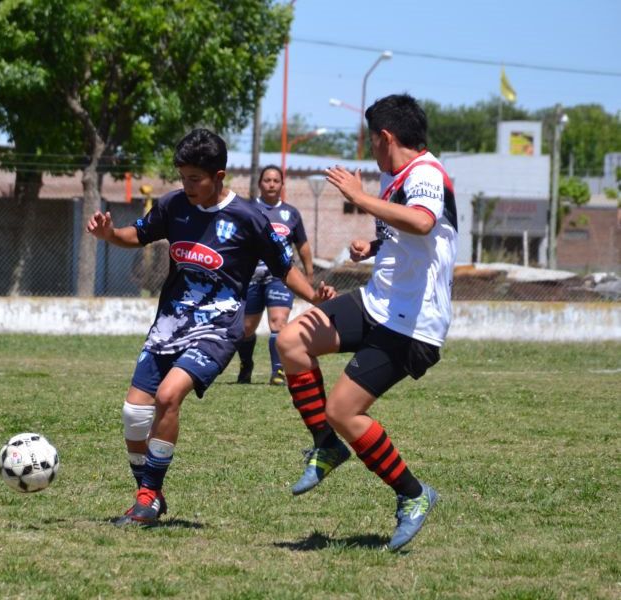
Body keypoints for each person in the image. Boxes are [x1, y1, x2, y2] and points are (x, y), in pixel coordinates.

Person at [86, 129, 334, 526]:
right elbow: (141, 233)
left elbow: (283, 267)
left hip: (219, 326)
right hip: (170, 322)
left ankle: (147, 499)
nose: (187, 186)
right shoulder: (173, 206)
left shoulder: (250, 217)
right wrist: (109, 235)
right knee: (134, 412)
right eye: (182, 177)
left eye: (195, 179)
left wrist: (312, 295)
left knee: (168, 397)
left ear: (219, 176)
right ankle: (149, 494)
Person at [275, 94, 457, 551]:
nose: (370, 149)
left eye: (371, 140)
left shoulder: (427, 174)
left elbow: (422, 222)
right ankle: (326, 445)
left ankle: (413, 496)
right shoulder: (393, 176)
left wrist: (359, 198)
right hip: (377, 303)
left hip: (412, 324)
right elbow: (408, 237)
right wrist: (372, 247)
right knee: (291, 340)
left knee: (343, 410)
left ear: (386, 137)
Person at [235, 166, 314, 385]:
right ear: (260, 183)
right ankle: (246, 364)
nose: (271, 184)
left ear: (282, 185)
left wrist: (308, 273)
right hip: (250, 276)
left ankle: (278, 371)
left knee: (278, 323)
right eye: (267, 180)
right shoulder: (248, 209)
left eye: (276, 180)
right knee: (246, 328)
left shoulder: (291, 213)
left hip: (280, 276)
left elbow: (303, 245)